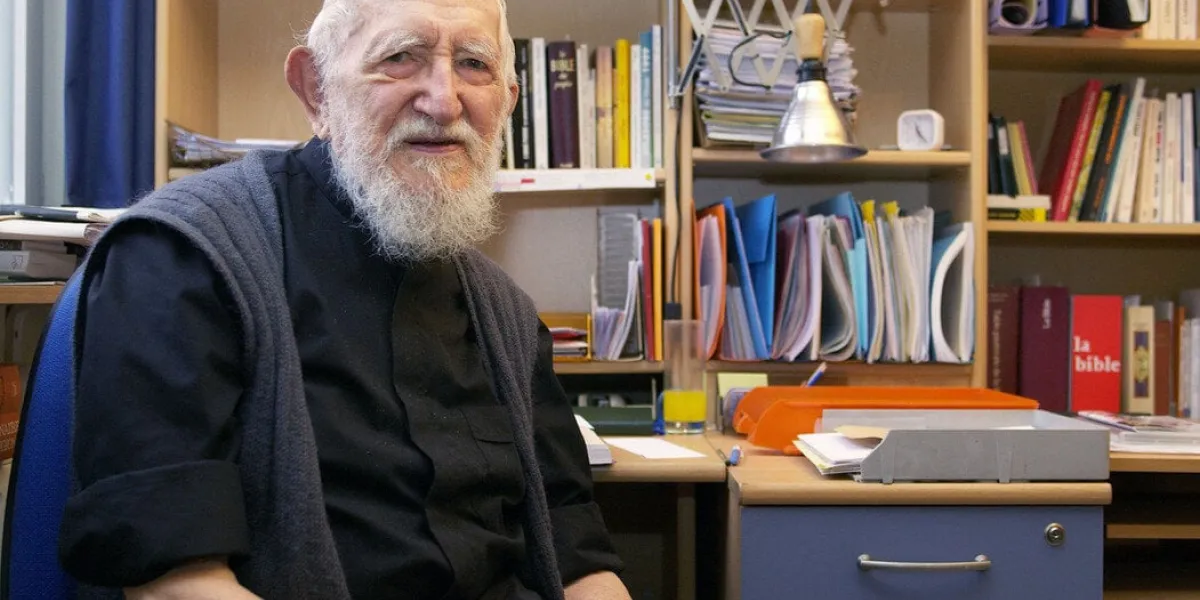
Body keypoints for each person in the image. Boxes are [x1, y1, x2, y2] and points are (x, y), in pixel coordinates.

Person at [56, 0, 632, 598]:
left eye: (474, 65)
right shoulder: (181, 257)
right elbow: (175, 582)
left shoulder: (505, 312)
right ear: (316, 92)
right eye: (400, 59)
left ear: (508, 101)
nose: (443, 100)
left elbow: (579, 557)